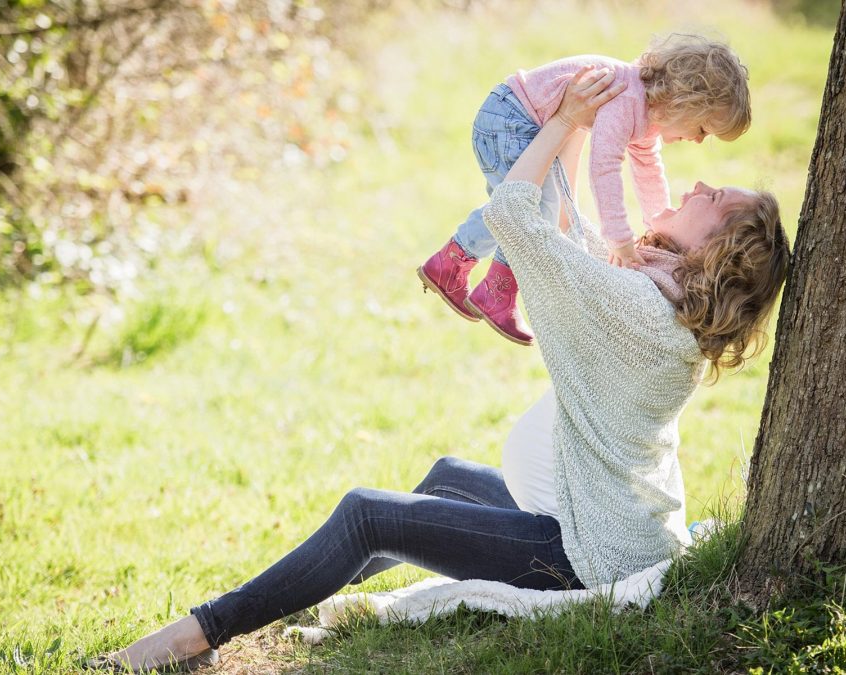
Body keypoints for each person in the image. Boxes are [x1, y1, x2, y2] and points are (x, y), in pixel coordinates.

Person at [88, 67, 789, 673]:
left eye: (715, 200)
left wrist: (564, 121)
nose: (700, 183)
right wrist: (580, 127)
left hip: (585, 554)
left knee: (368, 514)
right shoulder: (661, 301)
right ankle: (289, 593)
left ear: (717, 252)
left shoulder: (637, 308)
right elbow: (570, 234)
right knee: (446, 477)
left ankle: (196, 636)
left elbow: (515, 214)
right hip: (600, 520)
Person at [418, 34, 751, 346]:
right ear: (684, 102)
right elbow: (604, 167)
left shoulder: (646, 114)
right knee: (528, 207)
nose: (698, 140)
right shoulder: (628, 99)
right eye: (703, 129)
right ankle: (494, 289)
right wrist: (618, 238)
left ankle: (453, 265)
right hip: (510, 120)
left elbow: (649, 171)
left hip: (515, 119)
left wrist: (657, 225)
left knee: (527, 206)